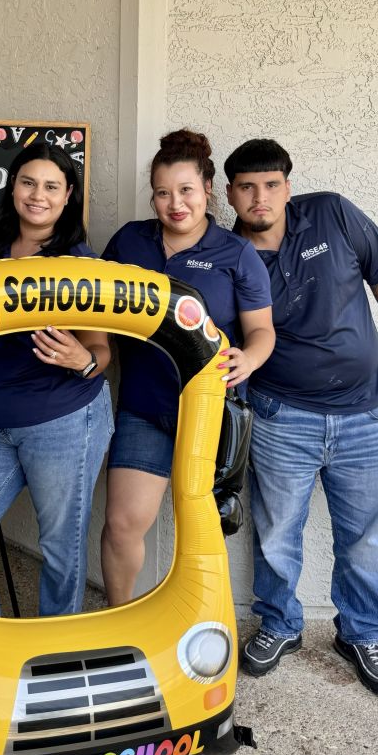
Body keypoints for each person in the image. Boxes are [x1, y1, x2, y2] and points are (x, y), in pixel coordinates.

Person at [224, 138, 378, 696]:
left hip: (365, 413)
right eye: (246, 187)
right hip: (280, 415)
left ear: (288, 187)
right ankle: (280, 623)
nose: (259, 198)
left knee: (364, 537)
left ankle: (361, 632)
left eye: (270, 185)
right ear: (230, 194)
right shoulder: (231, 256)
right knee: (276, 531)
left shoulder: (332, 212)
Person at [100, 129, 275, 606]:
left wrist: (250, 357)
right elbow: (94, 310)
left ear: (207, 192)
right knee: (121, 525)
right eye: (162, 193)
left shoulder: (235, 254)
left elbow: (262, 331)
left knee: (204, 529)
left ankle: (198, 622)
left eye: (186, 191)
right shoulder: (128, 242)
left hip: (208, 415)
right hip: (145, 409)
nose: (175, 203)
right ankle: (119, 619)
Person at [0, 142, 114, 617]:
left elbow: (101, 352)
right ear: (13, 187)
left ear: (67, 198)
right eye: (28, 182)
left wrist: (83, 358)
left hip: (64, 421)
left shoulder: (80, 264)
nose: (37, 195)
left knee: (61, 551)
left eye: (51, 186)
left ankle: (54, 655)